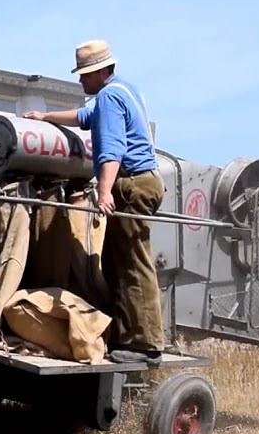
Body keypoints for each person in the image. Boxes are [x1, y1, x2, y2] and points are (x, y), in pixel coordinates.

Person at [24, 40, 164, 365]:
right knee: (119, 262)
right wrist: (46, 116)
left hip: (131, 184)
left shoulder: (109, 96)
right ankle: (127, 336)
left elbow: (112, 148)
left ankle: (145, 344)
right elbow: (85, 116)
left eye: (85, 74)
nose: (81, 80)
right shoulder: (124, 90)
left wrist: (104, 192)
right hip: (144, 181)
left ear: (102, 71)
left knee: (132, 264)